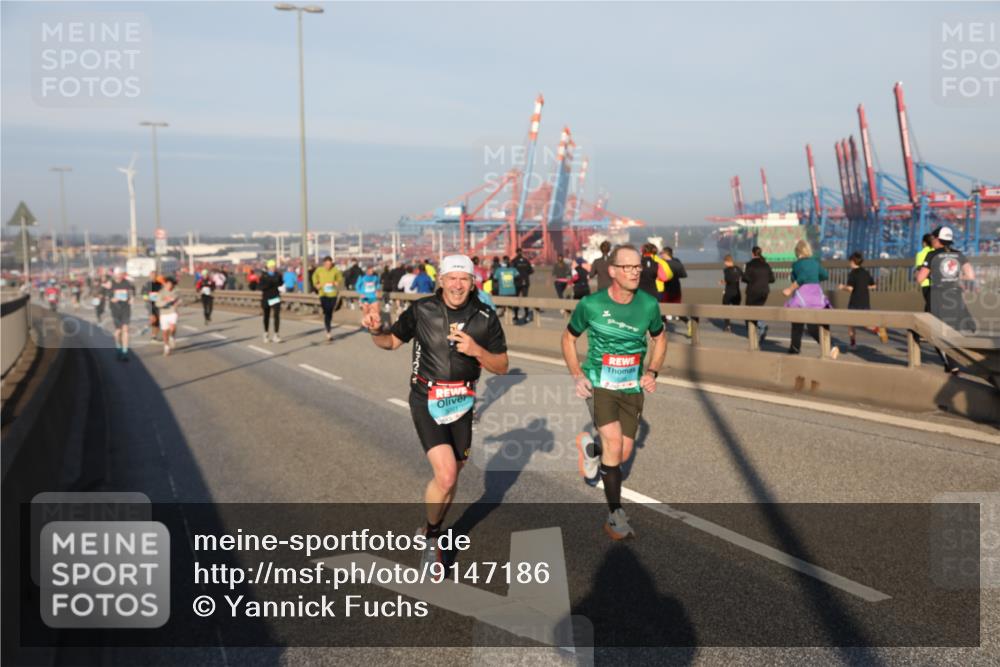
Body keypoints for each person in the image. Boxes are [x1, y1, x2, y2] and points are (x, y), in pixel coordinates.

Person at [360, 255, 508, 566]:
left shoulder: (485, 317)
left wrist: (477, 351)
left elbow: (503, 366)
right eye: (451, 278)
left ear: (472, 282)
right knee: (446, 473)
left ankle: (430, 526)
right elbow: (391, 342)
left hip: (462, 403)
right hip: (426, 398)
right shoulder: (422, 310)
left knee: (451, 479)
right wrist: (376, 331)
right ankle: (433, 539)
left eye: (463, 279)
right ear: (440, 280)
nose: (457, 285)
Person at [562, 244, 667, 540]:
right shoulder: (591, 304)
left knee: (622, 452)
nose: (635, 272)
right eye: (628, 267)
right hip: (600, 384)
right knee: (611, 440)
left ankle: (591, 452)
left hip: (632, 386)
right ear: (612, 271)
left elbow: (660, 339)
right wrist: (577, 375)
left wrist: (652, 371)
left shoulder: (648, 304)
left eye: (638, 267)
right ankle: (615, 516)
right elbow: (568, 339)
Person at [915, 226, 976, 374]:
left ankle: (952, 363)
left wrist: (931, 274)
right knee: (953, 331)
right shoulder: (959, 255)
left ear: (937, 239)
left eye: (934, 238)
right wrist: (954, 277)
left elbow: (920, 278)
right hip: (955, 296)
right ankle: (952, 364)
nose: (933, 240)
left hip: (938, 296)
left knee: (935, 333)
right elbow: (971, 276)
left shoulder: (932, 255)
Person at [783, 239, 839, 359]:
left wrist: (790, 288)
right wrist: (814, 278)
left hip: (803, 296)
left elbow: (798, 278)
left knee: (797, 323)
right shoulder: (815, 263)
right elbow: (825, 275)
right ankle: (831, 347)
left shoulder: (796, 264)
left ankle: (795, 348)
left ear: (798, 253)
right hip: (816, 295)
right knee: (814, 326)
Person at [837, 251, 888, 348]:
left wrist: (842, 286)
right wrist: (863, 287)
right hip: (865, 301)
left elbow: (850, 289)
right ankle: (878, 330)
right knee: (866, 322)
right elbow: (873, 286)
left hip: (855, 302)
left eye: (850, 261)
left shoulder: (852, 274)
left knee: (850, 323)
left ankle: (852, 344)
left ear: (852, 261)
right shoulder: (866, 272)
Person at [742, 246, 774, 344]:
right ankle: (760, 328)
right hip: (764, 291)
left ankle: (759, 328)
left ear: (752, 253)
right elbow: (772, 279)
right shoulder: (766, 265)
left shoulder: (749, 265)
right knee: (758, 309)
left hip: (753, 291)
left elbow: (745, 279)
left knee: (749, 312)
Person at [106, 266, 136, 361]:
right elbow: (108, 296)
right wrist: (113, 298)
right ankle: (118, 348)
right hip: (115, 310)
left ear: (123, 274)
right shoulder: (111, 284)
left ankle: (125, 352)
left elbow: (131, 292)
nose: (119, 276)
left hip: (125, 309)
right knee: (118, 332)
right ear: (114, 275)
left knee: (125, 329)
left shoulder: (127, 283)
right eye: (117, 274)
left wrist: (131, 298)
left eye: (120, 274)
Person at [312, 256, 344, 341]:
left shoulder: (335, 270)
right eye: (326, 264)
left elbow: (340, 278)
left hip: (333, 294)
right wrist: (316, 284)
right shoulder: (319, 270)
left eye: (330, 264)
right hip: (323, 294)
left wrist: (337, 282)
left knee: (330, 312)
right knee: (327, 312)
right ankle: (328, 331)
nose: (328, 266)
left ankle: (328, 329)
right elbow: (314, 277)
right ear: (324, 263)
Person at [259, 259, 284, 343]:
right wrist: (269, 283)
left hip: (275, 297)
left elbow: (281, 283)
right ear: (268, 267)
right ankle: (266, 333)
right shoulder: (264, 276)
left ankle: (276, 334)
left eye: (274, 266)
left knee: (276, 315)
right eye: (271, 267)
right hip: (266, 297)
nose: (273, 268)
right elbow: (261, 287)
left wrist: (280, 278)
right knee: (266, 315)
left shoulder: (277, 275)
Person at [157, 276, 180, 356]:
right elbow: (157, 304)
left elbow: (180, 300)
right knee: (165, 332)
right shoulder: (161, 292)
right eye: (168, 284)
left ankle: (172, 337)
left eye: (171, 285)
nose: (170, 286)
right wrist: (166, 302)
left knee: (173, 327)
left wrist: (178, 303)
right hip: (164, 313)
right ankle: (166, 347)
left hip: (172, 312)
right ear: (165, 284)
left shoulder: (175, 291)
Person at [719, 254, 743, 332]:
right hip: (737, 292)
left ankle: (727, 326)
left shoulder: (726, 270)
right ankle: (749, 325)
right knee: (739, 309)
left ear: (727, 261)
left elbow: (729, 280)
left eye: (725, 262)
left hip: (728, 292)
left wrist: (723, 282)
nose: (724, 264)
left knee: (725, 309)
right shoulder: (738, 268)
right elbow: (742, 277)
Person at [511, 247, 534, 323]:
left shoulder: (513, 261)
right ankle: (527, 315)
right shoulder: (526, 261)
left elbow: (511, 272)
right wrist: (525, 273)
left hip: (517, 282)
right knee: (525, 299)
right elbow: (531, 271)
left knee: (516, 299)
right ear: (521, 252)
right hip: (525, 282)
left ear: (516, 252)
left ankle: (516, 316)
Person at [914, 233, 934, 312]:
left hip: (925, 283)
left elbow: (919, 270)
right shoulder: (937, 252)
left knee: (929, 306)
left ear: (924, 243)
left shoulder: (920, 254)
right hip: (938, 283)